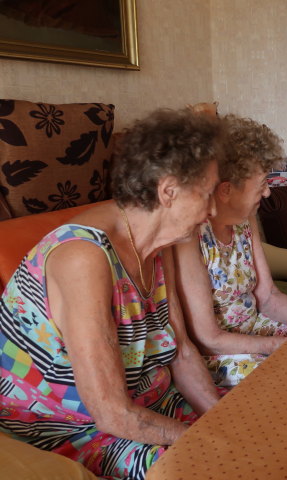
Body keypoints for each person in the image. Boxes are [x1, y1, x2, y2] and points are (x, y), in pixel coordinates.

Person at [0, 108, 224, 479]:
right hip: (72, 429)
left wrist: (219, 423)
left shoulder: (158, 242)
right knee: (208, 467)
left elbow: (182, 351)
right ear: (168, 191)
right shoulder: (83, 258)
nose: (214, 209)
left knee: (261, 425)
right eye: (208, 194)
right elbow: (109, 412)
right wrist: (205, 441)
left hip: (149, 406)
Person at [174, 114, 287, 388]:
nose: (268, 193)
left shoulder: (245, 219)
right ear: (226, 190)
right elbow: (207, 337)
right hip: (219, 352)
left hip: (256, 329)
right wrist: (274, 346)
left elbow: (268, 295)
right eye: (262, 184)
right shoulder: (189, 236)